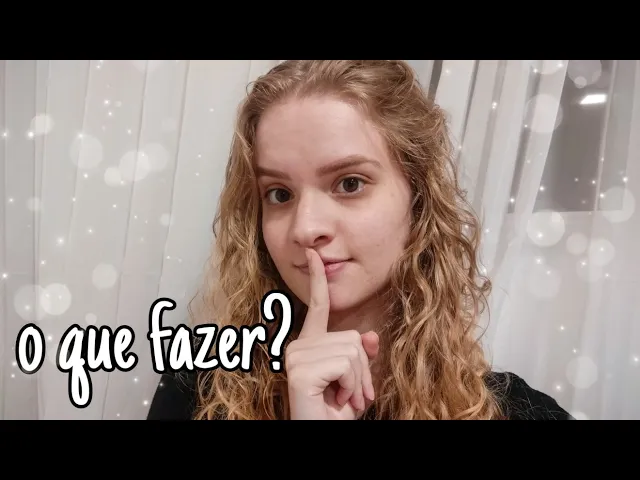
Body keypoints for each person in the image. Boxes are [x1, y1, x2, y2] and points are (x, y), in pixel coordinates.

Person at [147, 60, 572, 420]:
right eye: (279, 194)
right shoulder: (199, 388)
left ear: (419, 196)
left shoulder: (519, 412)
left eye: (349, 183)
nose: (305, 228)